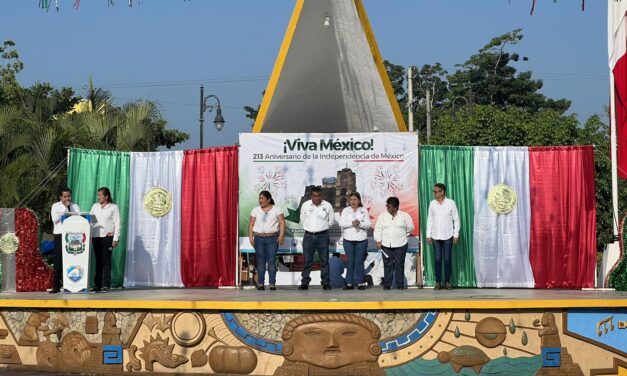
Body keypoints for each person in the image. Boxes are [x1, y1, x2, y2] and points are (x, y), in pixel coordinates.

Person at [374, 197, 414, 290]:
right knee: (387, 264)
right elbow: (378, 229)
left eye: (389, 206)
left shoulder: (405, 216)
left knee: (399, 264)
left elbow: (410, 228)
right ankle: (387, 284)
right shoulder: (382, 216)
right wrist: (378, 240)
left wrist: (404, 235)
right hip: (386, 244)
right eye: (386, 206)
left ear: (395, 207)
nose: (387, 208)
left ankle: (400, 284)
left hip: (401, 244)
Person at [299, 186, 335, 290]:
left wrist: (323, 228)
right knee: (307, 260)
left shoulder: (327, 205)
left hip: (323, 236)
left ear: (321, 195)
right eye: (315, 196)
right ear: (311, 196)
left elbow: (331, 221)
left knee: (324, 260)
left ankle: (325, 282)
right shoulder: (305, 205)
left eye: (319, 196)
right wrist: (310, 228)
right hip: (308, 235)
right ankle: (305, 282)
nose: (317, 198)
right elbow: (302, 219)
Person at [248, 190, 285, 291]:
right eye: (259, 198)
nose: (260, 200)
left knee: (271, 261)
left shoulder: (276, 209)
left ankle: (272, 283)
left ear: (268, 199)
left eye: (262, 198)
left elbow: (282, 222)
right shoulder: (255, 210)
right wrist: (250, 237)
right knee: (260, 262)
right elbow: (251, 224)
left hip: (272, 239)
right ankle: (261, 283)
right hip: (259, 239)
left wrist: (281, 236)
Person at [426, 183, 460, 290]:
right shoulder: (432, 204)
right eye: (434, 191)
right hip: (435, 236)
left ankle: (448, 281)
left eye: (436, 191)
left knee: (447, 259)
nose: (434, 193)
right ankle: (438, 282)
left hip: (448, 235)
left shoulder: (451, 203)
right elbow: (429, 219)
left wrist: (456, 234)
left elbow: (456, 219)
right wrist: (428, 234)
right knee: (437, 259)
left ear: (442, 192)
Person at [90, 187, 121, 293]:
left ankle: (106, 285)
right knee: (98, 261)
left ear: (106, 196)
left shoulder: (113, 207)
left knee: (106, 261)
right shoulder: (95, 206)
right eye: (98, 195)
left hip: (107, 237)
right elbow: (90, 220)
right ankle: (97, 285)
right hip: (96, 236)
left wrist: (115, 238)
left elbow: (117, 223)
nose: (98, 197)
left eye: (100, 195)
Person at [49, 187, 80, 293]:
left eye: (69, 196)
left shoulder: (75, 206)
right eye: (65, 196)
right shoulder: (55, 206)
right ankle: (56, 286)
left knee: (72, 260)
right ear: (60, 197)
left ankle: (72, 285)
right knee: (58, 261)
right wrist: (65, 209)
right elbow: (55, 219)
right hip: (60, 235)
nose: (67, 199)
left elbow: (79, 219)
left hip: (73, 236)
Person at [339, 192, 370, 290]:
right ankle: (349, 283)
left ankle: (360, 283)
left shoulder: (363, 210)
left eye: (355, 200)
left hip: (361, 239)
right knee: (350, 262)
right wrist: (352, 224)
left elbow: (368, 224)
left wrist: (359, 224)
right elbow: (342, 224)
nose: (352, 202)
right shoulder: (345, 210)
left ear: (359, 201)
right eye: (351, 200)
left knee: (359, 261)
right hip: (348, 239)